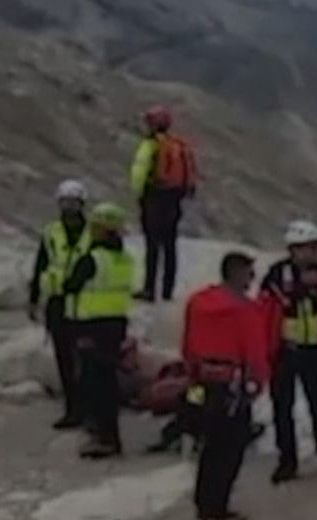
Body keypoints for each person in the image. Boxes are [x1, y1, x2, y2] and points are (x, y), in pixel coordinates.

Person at [258, 220, 317, 490]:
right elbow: (265, 307)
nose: (309, 254)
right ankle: (287, 461)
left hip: (315, 353)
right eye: (303, 249)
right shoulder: (277, 275)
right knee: (282, 409)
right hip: (285, 352)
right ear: (292, 250)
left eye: (313, 248)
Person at [181, 252, 270, 520]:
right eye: (248, 272)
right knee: (230, 448)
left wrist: (192, 374)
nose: (252, 278)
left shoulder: (198, 302)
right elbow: (255, 351)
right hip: (233, 384)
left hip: (205, 380)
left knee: (209, 445)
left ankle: (204, 504)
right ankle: (216, 510)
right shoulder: (245, 310)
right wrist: (257, 382)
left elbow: (188, 343)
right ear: (236, 273)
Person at [64, 203, 137, 459]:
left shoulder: (93, 259)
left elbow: (71, 285)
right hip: (115, 324)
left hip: (92, 325)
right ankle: (105, 433)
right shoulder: (124, 258)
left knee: (96, 383)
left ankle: (105, 436)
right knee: (106, 381)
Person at [28, 180, 92, 430]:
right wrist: (34, 300)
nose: (69, 207)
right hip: (57, 302)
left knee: (86, 359)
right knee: (64, 358)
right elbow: (40, 265)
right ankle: (72, 409)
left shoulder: (92, 233)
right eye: (64, 202)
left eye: (73, 202)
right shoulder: (51, 233)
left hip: (85, 302)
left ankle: (87, 407)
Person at [130, 106, 196, 302]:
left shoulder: (151, 145)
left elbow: (139, 171)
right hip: (174, 200)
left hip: (155, 197)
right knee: (170, 246)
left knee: (152, 246)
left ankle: (149, 289)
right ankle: (168, 290)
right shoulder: (179, 145)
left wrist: (139, 192)